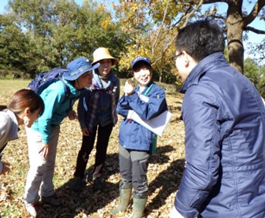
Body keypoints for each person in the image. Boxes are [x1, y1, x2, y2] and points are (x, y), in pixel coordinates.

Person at [170, 19, 265, 218]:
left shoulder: (200, 91)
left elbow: (202, 169)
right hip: (256, 200)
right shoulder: (243, 82)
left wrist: (180, 210)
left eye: (175, 57)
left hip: (227, 206)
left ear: (185, 57)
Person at [24, 57, 99, 217]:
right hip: (38, 127)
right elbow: (43, 118)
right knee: (39, 165)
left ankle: (48, 193)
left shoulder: (78, 89)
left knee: (49, 163)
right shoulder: (58, 90)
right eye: (87, 75)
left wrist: (68, 111)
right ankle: (30, 200)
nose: (91, 78)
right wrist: (45, 140)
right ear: (77, 77)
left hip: (53, 126)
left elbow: (63, 104)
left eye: (91, 74)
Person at [110, 56, 168, 218]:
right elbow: (120, 107)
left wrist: (132, 98)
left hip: (141, 143)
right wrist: (130, 99)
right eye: (137, 70)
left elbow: (148, 113)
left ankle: (137, 213)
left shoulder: (157, 92)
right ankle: (123, 206)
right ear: (133, 75)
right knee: (125, 175)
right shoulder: (133, 89)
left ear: (151, 71)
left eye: (145, 69)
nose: (142, 74)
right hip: (125, 139)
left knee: (138, 180)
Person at [0, 89, 44, 218]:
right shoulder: (2, 123)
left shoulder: (5, 118)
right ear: (27, 111)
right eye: (38, 114)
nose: (37, 119)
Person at [73, 47, 120, 192]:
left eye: (108, 62)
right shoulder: (89, 80)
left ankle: (97, 176)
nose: (105, 66)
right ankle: (78, 177)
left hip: (107, 121)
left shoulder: (115, 81)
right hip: (90, 121)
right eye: (101, 62)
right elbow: (82, 106)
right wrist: (82, 124)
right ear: (96, 65)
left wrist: (114, 118)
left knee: (102, 148)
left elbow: (116, 101)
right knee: (86, 149)